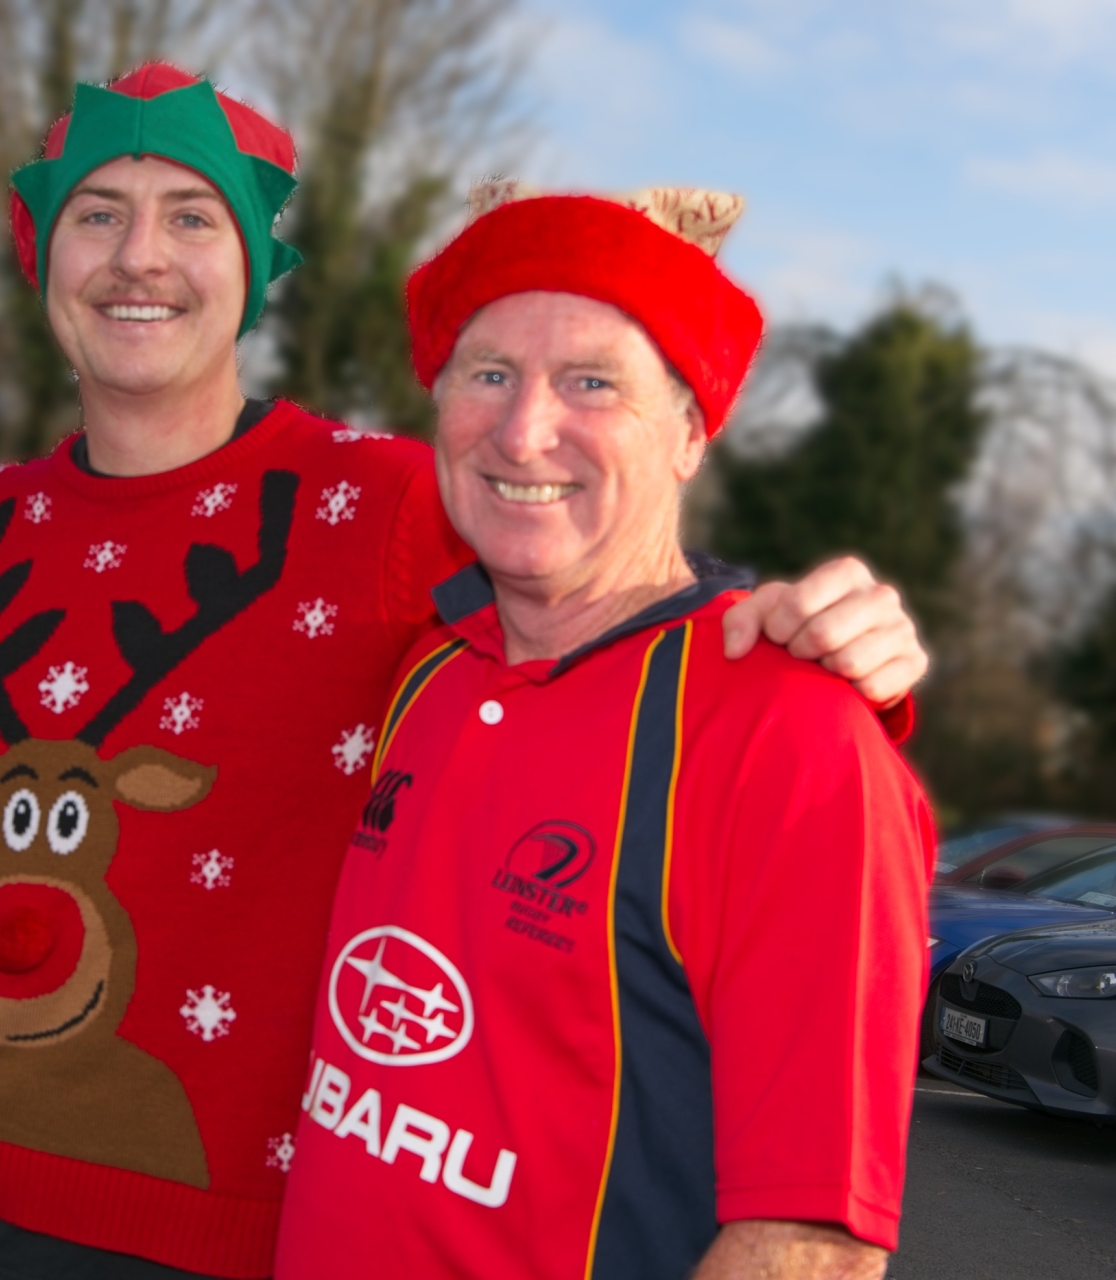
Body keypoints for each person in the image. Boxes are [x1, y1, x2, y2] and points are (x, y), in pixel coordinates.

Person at [0, 69, 930, 1280]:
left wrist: (792, 632)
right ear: (45, 260)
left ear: (257, 267)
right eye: (98, 213)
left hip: (199, 1239)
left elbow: (596, 582)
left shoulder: (393, 498)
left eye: (190, 217)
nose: (139, 257)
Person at [273, 184, 932, 1279]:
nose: (524, 431)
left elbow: (811, 1242)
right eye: (489, 374)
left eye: (593, 381)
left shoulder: (792, 736)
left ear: (690, 434)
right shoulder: (428, 670)